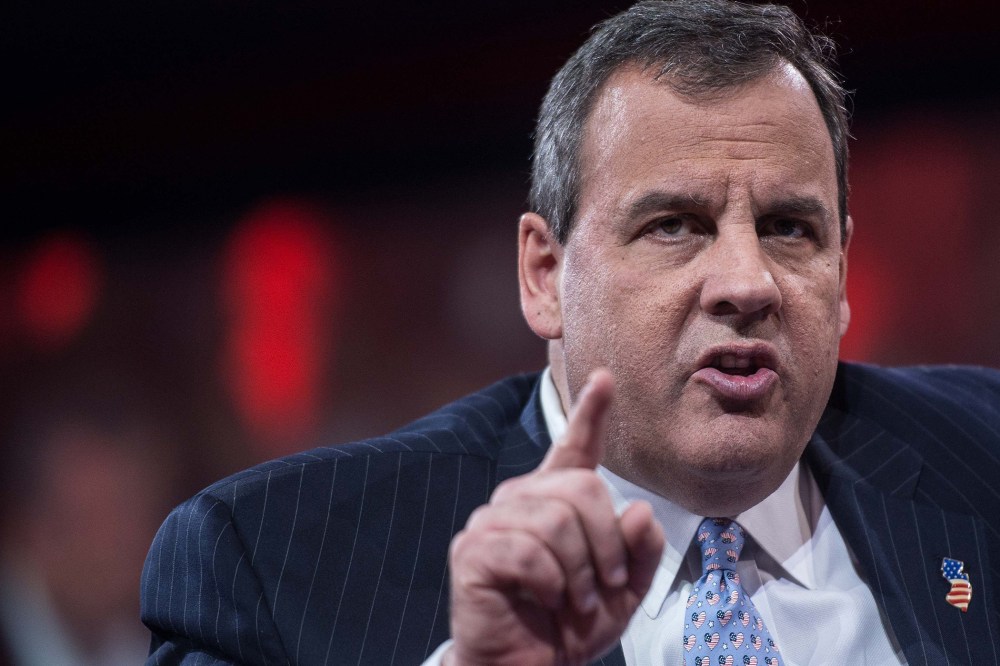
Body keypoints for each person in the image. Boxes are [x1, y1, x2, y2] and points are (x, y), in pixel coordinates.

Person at [141, 1, 1000, 664]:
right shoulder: (272, 561)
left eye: (788, 228)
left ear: (843, 271)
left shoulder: (984, 456)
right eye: (674, 225)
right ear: (545, 275)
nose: (748, 283)